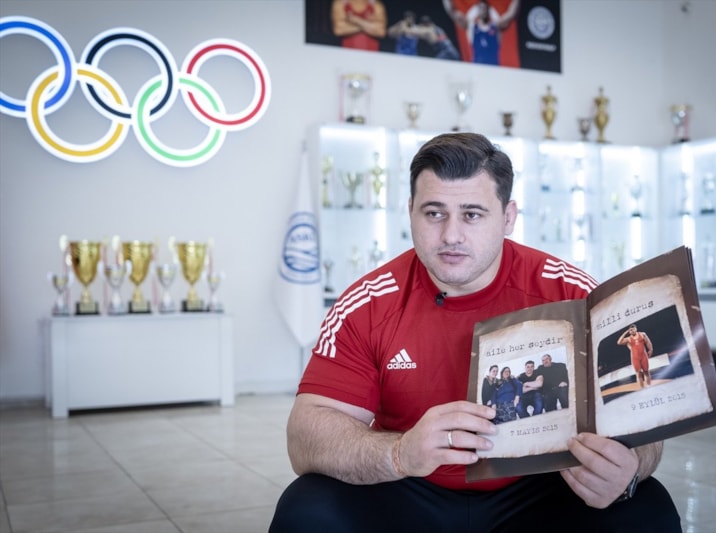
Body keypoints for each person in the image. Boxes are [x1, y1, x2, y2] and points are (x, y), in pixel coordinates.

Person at [270, 132, 681, 532]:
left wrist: (628, 470)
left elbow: (645, 428)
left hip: (540, 487)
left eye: (472, 214)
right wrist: (399, 453)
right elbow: (306, 434)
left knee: (648, 509)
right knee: (306, 509)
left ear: (508, 217)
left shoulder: (572, 293)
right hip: (410, 484)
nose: (451, 235)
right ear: (410, 212)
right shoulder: (368, 303)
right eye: (434, 213)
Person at [442, 0, 520, 65]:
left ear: (489, 10)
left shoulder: (497, 27)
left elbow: (511, 14)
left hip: (494, 68)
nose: (483, 10)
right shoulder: (471, 26)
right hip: (477, 67)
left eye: (485, 8)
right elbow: (451, 11)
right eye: (481, 8)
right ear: (477, 11)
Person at [617, 323, 654, 388]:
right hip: (635, 358)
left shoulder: (642, 334)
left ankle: (649, 386)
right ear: (629, 331)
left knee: (646, 371)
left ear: (636, 329)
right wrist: (625, 333)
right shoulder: (628, 339)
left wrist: (650, 349)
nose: (632, 331)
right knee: (638, 373)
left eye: (633, 329)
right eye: (631, 330)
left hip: (643, 356)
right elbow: (619, 342)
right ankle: (642, 388)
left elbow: (648, 342)